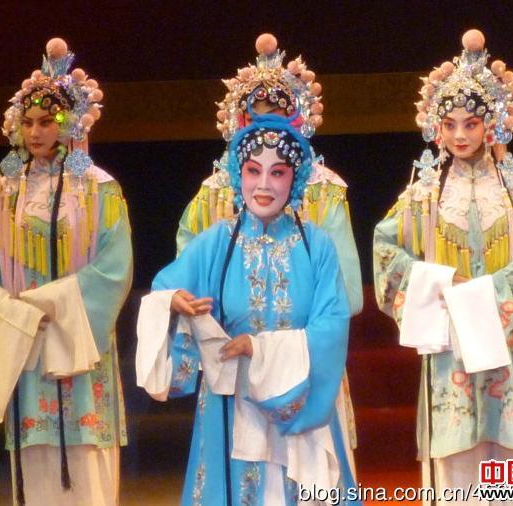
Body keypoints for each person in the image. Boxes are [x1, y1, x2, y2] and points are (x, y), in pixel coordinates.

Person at [137, 112, 360, 505]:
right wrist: (172, 303)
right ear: (238, 176)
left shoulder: (317, 246)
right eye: (253, 171)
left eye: (278, 173)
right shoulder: (215, 243)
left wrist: (260, 348)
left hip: (300, 397)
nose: (264, 185)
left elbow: (332, 324)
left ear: (296, 179)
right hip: (231, 401)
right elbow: (162, 290)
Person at [373, 30, 513, 504]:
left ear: (492, 124)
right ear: (436, 127)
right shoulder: (422, 196)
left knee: (509, 460)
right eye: (449, 124)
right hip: (448, 342)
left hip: (506, 345)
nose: (460, 135)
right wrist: (445, 283)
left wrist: (482, 300)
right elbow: (387, 251)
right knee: (456, 467)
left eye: (471, 123)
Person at [0, 38, 131, 506]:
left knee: (87, 468)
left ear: (69, 123)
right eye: (28, 122)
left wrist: (52, 302)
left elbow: (114, 270)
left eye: (47, 121)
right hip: (27, 346)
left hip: (80, 348)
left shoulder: (99, 191)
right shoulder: (0, 196)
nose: (35, 132)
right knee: (36, 471)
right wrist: (12, 313)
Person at [177, 33, 362, 458]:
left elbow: (348, 293)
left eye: (278, 119)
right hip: (233, 365)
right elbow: (188, 285)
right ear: (238, 121)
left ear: (298, 122)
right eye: (256, 119)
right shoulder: (212, 195)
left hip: (308, 363)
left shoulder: (325, 192)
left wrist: (285, 346)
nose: (267, 130)